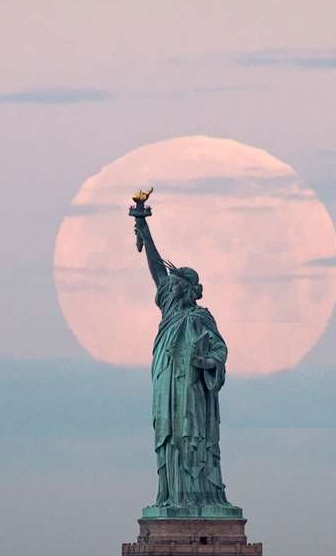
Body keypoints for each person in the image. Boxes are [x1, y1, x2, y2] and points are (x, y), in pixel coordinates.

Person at [134, 217, 234, 510]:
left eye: (177, 284)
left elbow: (220, 349)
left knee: (192, 439)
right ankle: (171, 496)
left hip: (191, 393)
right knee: (169, 439)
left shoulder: (201, 318)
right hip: (167, 389)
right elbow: (156, 272)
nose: (171, 287)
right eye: (171, 284)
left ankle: (200, 496)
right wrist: (144, 228)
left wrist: (207, 361)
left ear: (189, 289)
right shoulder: (169, 311)